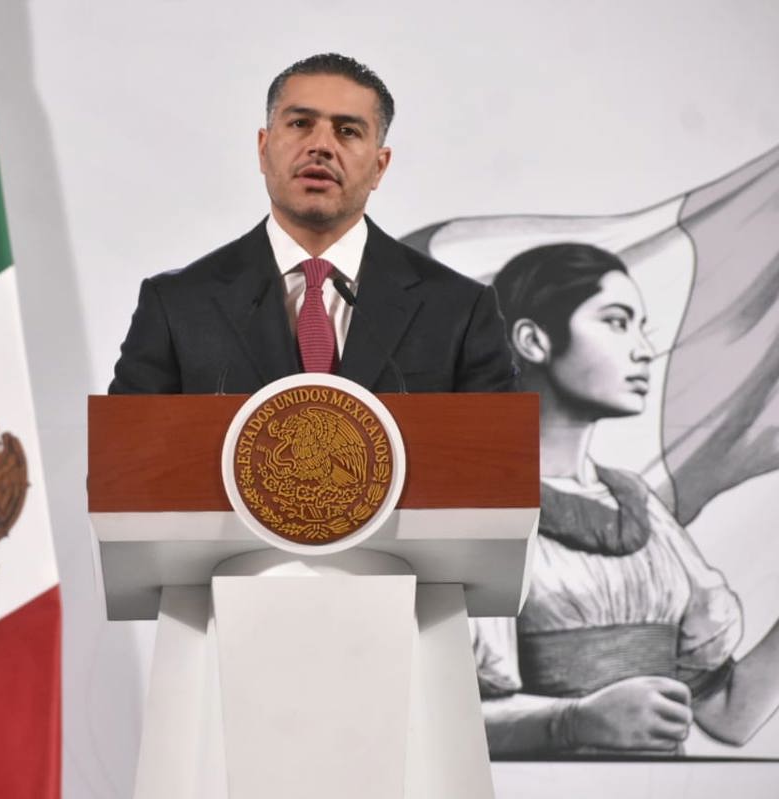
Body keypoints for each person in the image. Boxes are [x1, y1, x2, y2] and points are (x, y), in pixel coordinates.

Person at [472, 242, 779, 756]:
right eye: (617, 322)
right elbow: (432, 712)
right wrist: (572, 721)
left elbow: (730, 715)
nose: (643, 349)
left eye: (642, 328)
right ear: (532, 340)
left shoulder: (640, 506)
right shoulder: (478, 503)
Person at [109, 52, 516, 395]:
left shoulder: (458, 311)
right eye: (301, 124)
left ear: (379, 166)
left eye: (347, 130)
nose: (321, 146)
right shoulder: (178, 305)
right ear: (264, 149)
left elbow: (498, 476)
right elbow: (127, 473)